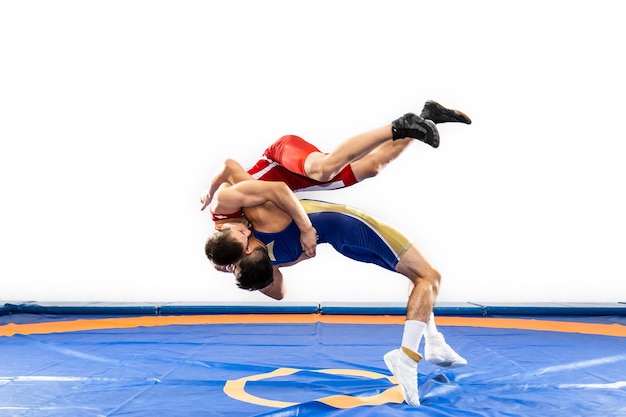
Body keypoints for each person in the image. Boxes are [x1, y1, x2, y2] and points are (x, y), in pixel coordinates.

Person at [205, 159, 467, 406]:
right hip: (347, 224)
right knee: (429, 276)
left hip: (339, 239)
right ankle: (407, 358)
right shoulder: (255, 221)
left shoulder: (266, 251)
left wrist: (235, 266)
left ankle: (433, 340)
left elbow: (277, 289)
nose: (243, 228)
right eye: (240, 234)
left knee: (418, 276)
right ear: (248, 250)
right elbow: (249, 178)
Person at [202, 100, 471, 266]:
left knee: (325, 169)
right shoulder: (230, 251)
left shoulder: (223, 204)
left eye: (241, 233)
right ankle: (427, 118)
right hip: (296, 184)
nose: (247, 233)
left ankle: (398, 126)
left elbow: (230, 166)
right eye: (245, 239)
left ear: (224, 229)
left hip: (280, 160)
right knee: (371, 168)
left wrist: (209, 191)